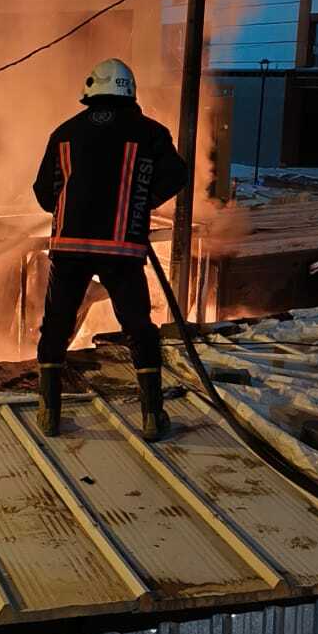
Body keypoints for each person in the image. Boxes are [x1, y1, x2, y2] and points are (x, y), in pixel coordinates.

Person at [32, 58, 188, 440]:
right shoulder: (150, 132)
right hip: (121, 246)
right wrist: (141, 202)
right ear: (129, 93)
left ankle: (49, 412)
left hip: (69, 245)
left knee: (56, 322)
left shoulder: (65, 132)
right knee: (138, 326)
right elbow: (177, 174)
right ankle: (152, 415)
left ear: (92, 90)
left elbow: (42, 192)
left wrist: (70, 207)